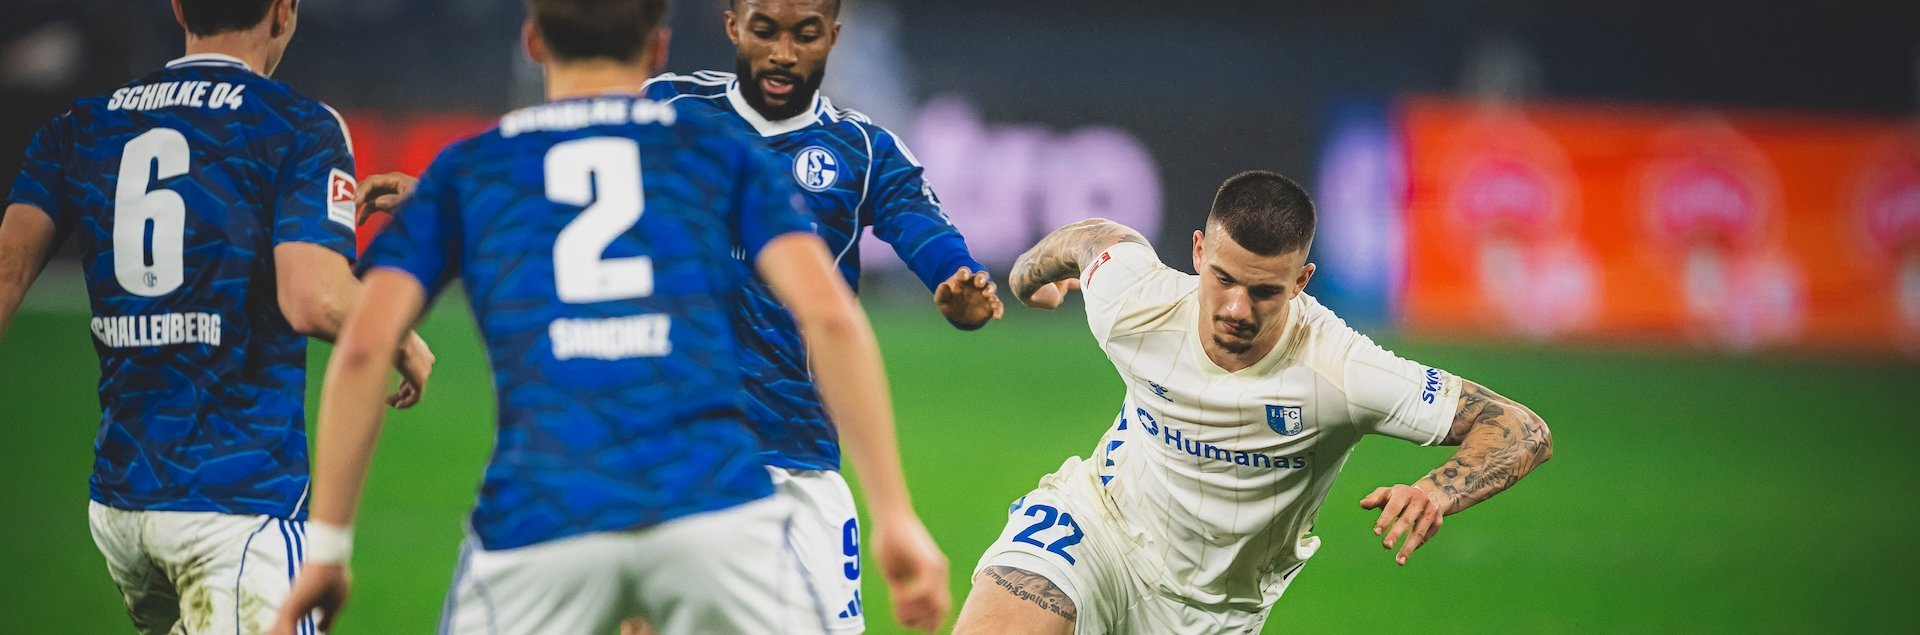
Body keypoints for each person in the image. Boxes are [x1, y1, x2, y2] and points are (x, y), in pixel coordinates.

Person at [271, 0, 947, 633]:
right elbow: (829, 315)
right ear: (658, 46)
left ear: (533, 41)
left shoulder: (475, 167)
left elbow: (362, 346)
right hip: (709, 499)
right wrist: (894, 515)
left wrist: (327, 546)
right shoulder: (714, 152)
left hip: (544, 503)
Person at [952, 171, 1555, 634]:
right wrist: (1028, 281)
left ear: (1301, 281)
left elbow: (1521, 428)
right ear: (1197, 253)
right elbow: (1091, 240)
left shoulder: (1343, 369)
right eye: (1224, 279)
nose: (1238, 309)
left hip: (1212, 611)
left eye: (1265, 291)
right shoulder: (1136, 300)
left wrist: (1436, 492)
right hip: (1097, 526)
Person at [0, 0, 433, 632]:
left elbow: (7, 275)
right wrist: (402, 339)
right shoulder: (297, 126)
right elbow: (313, 296)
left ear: (178, 7)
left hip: (121, 504)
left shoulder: (81, 126)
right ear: (283, 12)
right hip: (236, 506)